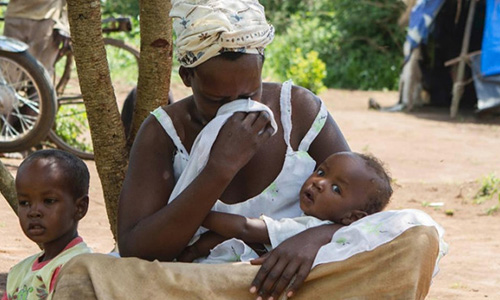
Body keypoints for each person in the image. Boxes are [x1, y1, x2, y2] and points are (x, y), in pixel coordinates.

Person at [52, 1, 446, 299]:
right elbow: (138, 248)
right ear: (188, 77)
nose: (237, 108)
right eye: (216, 99)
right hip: (205, 283)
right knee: (84, 274)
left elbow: (363, 209)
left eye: (249, 93)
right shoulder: (163, 132)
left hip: (300, 280)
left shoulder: (299, 110)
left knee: (418, 237)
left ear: (262, 67)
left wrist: (310, 240)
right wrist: (217, 169)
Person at [178, 151, 393, 263]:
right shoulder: (310, 220)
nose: (319, 183)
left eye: (336, 189)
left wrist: (198, 213)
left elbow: (245, 229)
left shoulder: (310, 228)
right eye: (321, 172)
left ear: (352, 218)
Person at [2, 149, 92, 300]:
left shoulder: (79, 268)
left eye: (49, 201)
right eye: (25, 203)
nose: (34, 212)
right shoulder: (19, 272)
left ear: (80, 208)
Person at [3, 0, 69, 76]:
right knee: (8, 71)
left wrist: (64, 24)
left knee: (41, 74)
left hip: (47, 18)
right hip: (16, 15)